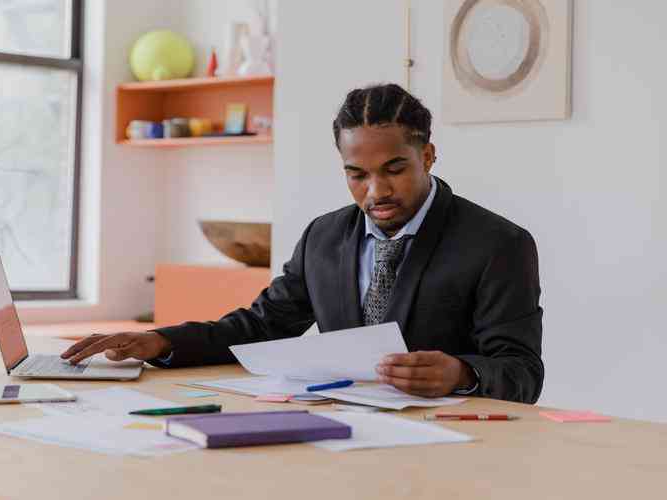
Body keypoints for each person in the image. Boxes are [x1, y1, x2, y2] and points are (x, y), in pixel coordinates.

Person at [62, 83, 544, 403]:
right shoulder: (325, 236)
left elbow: (522, 372)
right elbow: (263, 325)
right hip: (338, 433)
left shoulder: (498, 244)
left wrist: (462, 373)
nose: (376, 192)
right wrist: (164, 340)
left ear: (429, 156)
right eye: (357, 175)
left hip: (456, 449)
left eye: (394, 170)